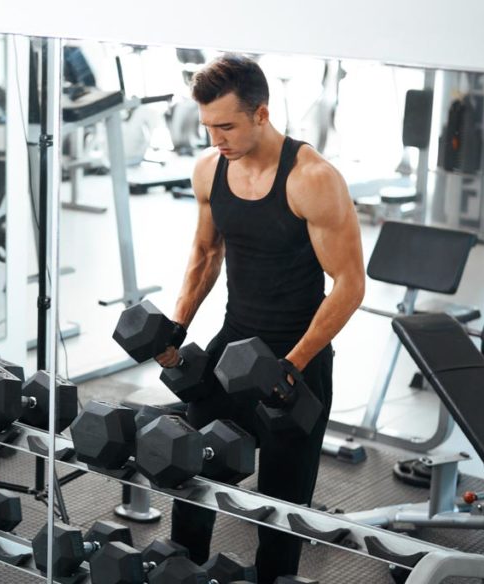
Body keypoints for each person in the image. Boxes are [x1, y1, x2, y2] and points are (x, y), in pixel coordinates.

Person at [159, 54, 365, 583]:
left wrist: (291, 365)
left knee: (282, 512)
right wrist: (176, 328)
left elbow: (349, 284)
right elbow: (206, 254)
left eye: (226, 126)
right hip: (230, 349)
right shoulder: (210, 168)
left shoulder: (312, 179)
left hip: (297, 363)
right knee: (191, 473)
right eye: (208, 127)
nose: (215, 139)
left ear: (262, 114)